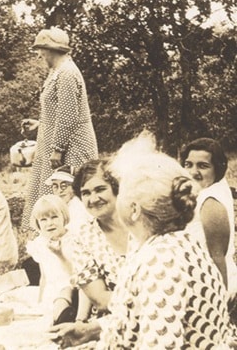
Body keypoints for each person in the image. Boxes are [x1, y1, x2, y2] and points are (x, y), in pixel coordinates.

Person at [50, 134, 235, 348]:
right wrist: (90, 331)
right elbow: (142, 311)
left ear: (135, 209)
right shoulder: (172, 242)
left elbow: (161, 343)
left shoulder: (161, 261)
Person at [20, 27, 98, 232]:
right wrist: (41, 124)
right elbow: (60, 110)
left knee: (67, 191)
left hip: (72, 145)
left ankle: (75, 238)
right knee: (56, 191)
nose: (38, 54)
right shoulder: (57, 73)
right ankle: (53, 238)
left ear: (51, 49)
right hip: (59, 140)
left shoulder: (67, 74)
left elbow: (69, 115)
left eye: (40, 49)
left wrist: (58, 148)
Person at [69, 159, 128, 316]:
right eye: (86, 193)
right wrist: (150, 299)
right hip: (114, 322)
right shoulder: (82, 237)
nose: (93, 199)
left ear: (116, 189)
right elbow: (101, 300)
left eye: (100, 189)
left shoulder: (141, 221)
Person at [180, 138, 236, 299]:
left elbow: (217, 257)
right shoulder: (210, 187)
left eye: (203, 166)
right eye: (188, 164)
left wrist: (220, 303)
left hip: (213, 285)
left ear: (217, 168)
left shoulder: (210, 201)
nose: (193, 172)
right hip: (200, 280)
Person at [25, 194, 90, 325]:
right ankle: (58, 316)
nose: (50, 223)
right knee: (48, 304)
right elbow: (44, 277)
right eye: (43, 220)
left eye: (54, 217)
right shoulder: (40, 243)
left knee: (64, 292)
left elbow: (76, 273)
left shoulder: (73, 240)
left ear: (63, 217)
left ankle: (64, 317)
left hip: (73, 286)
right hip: (52, 287)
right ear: (38, 223)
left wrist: (60, 254)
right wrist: (40, 300)